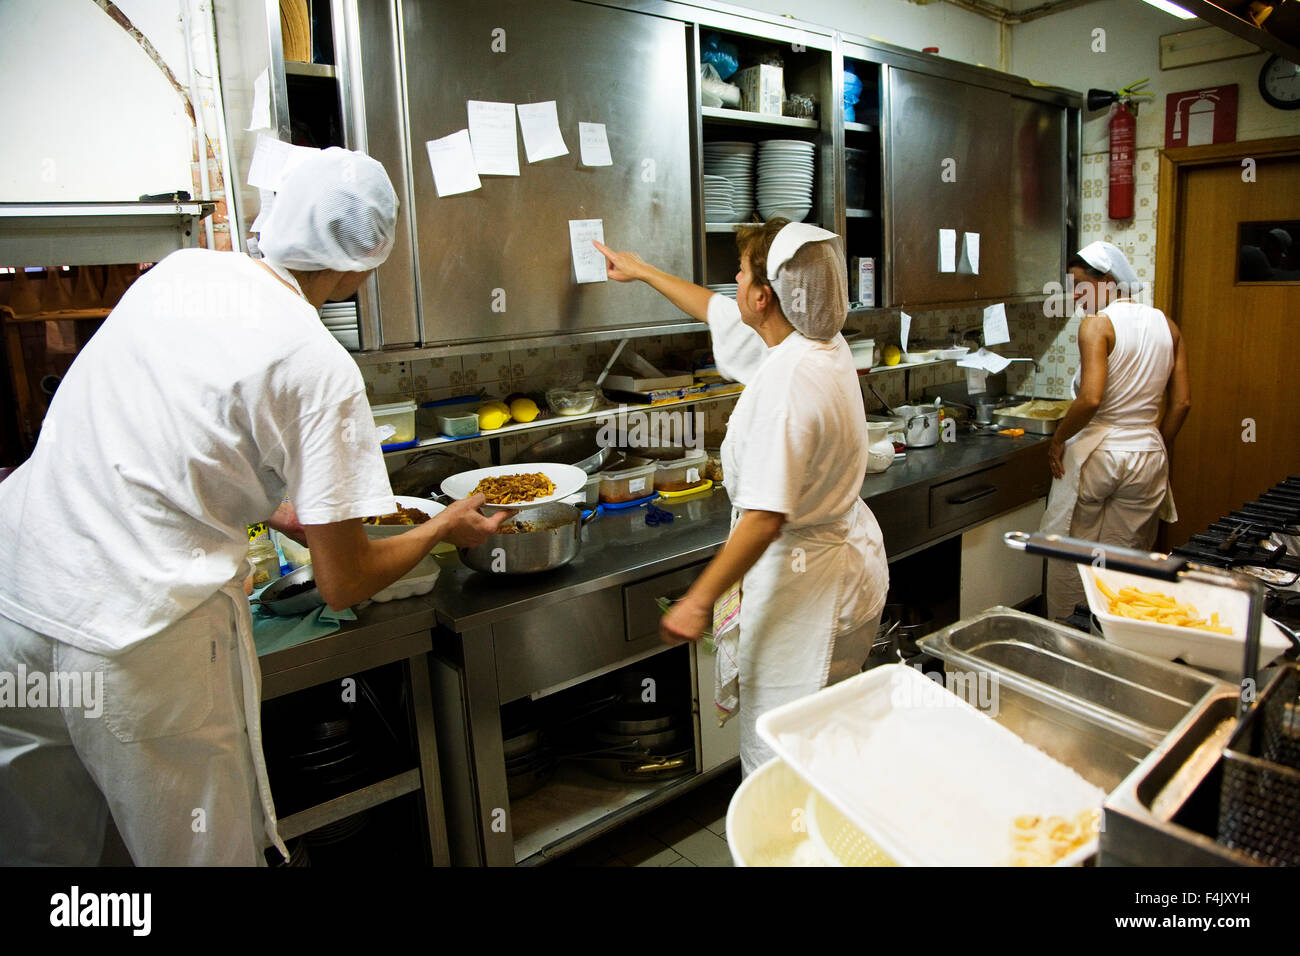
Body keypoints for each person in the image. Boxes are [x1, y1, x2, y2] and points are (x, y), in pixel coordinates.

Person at [0, 147, 507, 866]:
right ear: (365, 267)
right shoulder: (317, 362)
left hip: (17, 604)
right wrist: (446, 527)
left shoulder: (182, 274)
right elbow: (346, 581)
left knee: (41, 856)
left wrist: (280, 511)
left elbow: (165, 437)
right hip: (137, 637)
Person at [595, 220, 889, 776]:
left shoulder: (788, 382)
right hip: (844, 566)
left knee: (781, 760)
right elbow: (715, 310)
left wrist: (698, 599)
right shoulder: (816, 344)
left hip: (806, 593)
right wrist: (641, 270)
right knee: (821, 741)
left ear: (762, 297)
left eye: (743, 272)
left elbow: (763, 519)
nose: (731, 279)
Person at [1042, 241, 1191, 620]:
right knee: (1127, 556)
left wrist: (1058, 439)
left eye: (1078, 285)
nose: (1073, 295)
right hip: (1147, 455)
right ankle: (1117, 642)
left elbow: (1091, 398)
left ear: (1105, 281)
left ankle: (1068, 637)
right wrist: (1156, 442)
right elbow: (1181, 403)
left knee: (1074, 556)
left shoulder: (1098, 325)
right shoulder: (1168, 326)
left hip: (1099, 455)